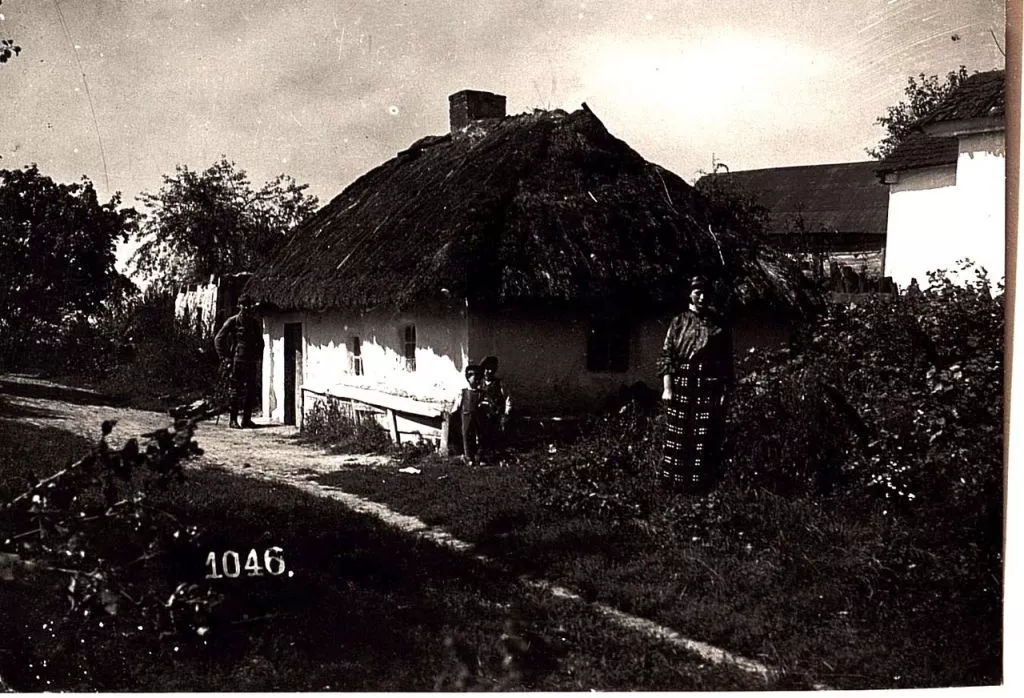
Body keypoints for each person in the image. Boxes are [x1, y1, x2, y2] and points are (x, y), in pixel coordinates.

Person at [657, 275, 734, 494]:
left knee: (703, 435)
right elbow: (667, 355)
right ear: (689, 294)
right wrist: (668, 388)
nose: (701, 297)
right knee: (678, 434)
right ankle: (673, 486)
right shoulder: (679, 321)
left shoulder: (718, 325)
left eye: (705, 293)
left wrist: (725, 390)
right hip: (682, 384)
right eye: (697, 292)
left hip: (708, 385)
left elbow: (727, 361)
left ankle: (700, 487)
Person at [214, 295, 264, 429]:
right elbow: (218, 339)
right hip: (237, 361)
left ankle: (246, 420)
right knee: (235, 390)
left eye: (248, 305)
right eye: (243, 305)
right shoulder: (233, 321)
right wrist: (226, 357)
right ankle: (233, 420)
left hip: (251, 361)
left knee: (251, 391)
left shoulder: (254, 323)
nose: (246, 308)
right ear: (239, 306)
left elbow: (260, 342)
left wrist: (258, 356)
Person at [479, 355, 512, 461]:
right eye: (486, 369)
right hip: (482, 416)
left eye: (491, 369)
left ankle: (495, 455)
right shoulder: (479, 383)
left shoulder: (500, 384)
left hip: (496, 415)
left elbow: (508, 399)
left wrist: (506, 413)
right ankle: (482, 455)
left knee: (496, 436)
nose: (488, 371)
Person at [459, 364, 486, 465]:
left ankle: (479, 457)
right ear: (468, 378)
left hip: (478, 416)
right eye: (473, 377)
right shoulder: (464, 391)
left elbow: (485, 402)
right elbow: (458, 403)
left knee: (479, 435)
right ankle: (468, 457)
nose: (476, 380)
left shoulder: (481, 392)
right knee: (467, 435)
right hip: (466, 415)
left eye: (478, 377)